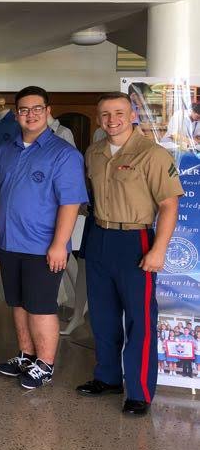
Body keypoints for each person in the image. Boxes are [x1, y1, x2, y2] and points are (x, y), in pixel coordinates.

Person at [75, 92, 183, 414]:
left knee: (139, 319)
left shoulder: (152, 154)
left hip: (135, 241)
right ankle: (107, 378)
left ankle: (138, 391)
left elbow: (169, 204)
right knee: (103, 315)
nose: (112, 120)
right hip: (98, 237)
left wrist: (158, 249)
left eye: (119, 113)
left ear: (133, 114)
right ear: (98, 118)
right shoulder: (93, 153)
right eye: (105, 114)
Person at [0, 86, 88, 390]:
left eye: (36, 109)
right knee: (18, 303)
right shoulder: (5, 150)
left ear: (48, 111)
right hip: (9, 243)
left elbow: (70, 203)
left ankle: (45, 364)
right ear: (16, 114)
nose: (30, 115)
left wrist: (60, 244)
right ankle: (26, 355)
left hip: (43, 247)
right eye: (23, 110)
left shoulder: (64, 154)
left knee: (41, 306)